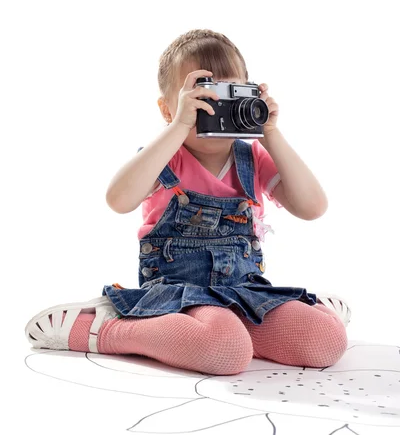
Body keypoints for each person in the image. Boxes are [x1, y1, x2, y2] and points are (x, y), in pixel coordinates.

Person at [25, 29, 349, 375]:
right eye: (202, 97)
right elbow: (118, 199)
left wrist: (270, 132)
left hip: (245, 292)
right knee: (225, 350)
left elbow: (313, 207)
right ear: (168, 108)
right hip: (178, 294)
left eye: (227, 95)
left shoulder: (253, 158)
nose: (214, 108)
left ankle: (308, 314)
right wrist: (180, 126)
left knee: (326, 340)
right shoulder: (167, 157)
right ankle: (108, 327)